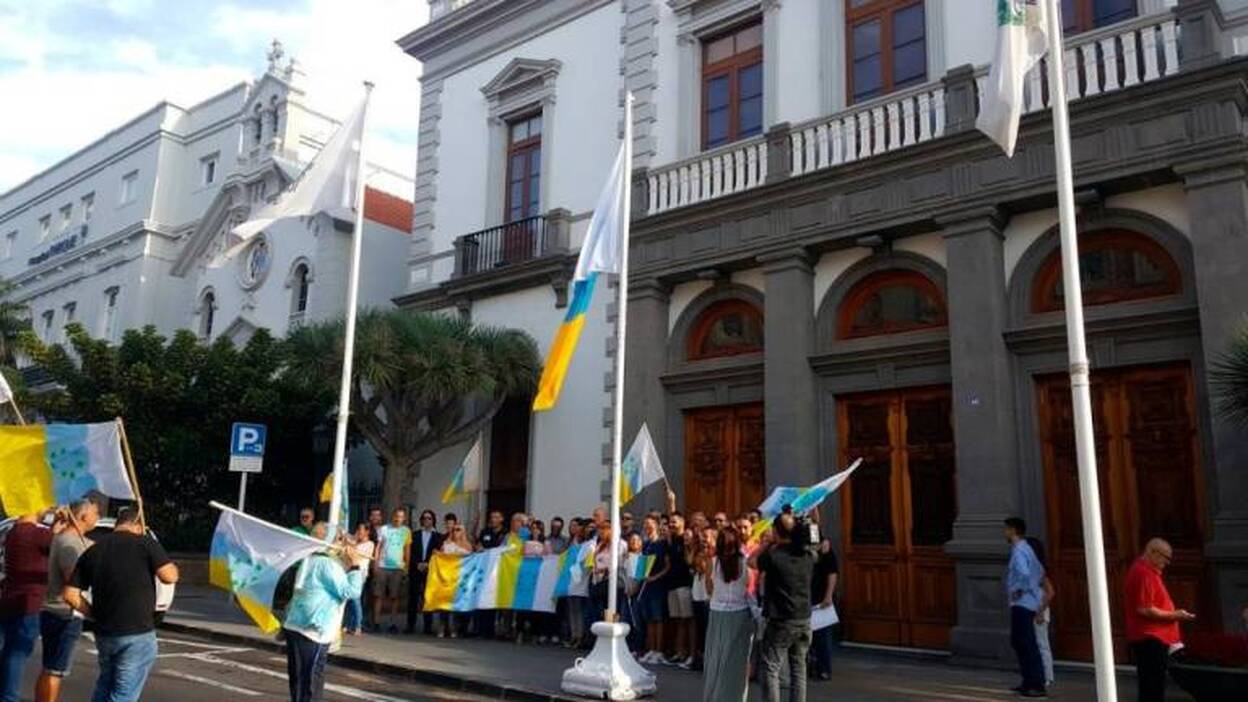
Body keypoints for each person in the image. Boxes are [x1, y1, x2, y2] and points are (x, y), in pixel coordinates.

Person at [64, 507, 179, 702]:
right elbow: (169, 577)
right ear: (138, 524)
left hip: (105, 632)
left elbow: (70, 594)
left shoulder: (93, 550)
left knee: (105, 684)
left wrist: (93, 614)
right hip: (137, 631)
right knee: (123, 694)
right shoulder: (146, 544)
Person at [282, 525, 367, 702]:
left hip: (300, 626)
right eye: (340, 539)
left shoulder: (310, 560)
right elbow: (350, 592)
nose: (344, 543)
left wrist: (347, 560)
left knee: (303, 681)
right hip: (311, 630)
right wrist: (356, 565)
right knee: (309, 684)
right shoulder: (326, 564)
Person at [749, 511, 817, 702]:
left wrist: (766, 543)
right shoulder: (807, 554)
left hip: (781, 619)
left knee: (771, 666)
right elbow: (815, 544)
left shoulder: (774, 555)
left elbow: (751, 561)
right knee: (799, 667)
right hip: (804, 618)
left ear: (776, 532)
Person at [38, 498, 100, 702]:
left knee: (50, 668)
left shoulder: (72, 539)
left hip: (57, 612)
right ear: (83, 516)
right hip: (64, 613)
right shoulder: (70, 543)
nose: (98, 517)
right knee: (55, 670)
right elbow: (72, 579)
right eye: (95, 513)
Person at [1, 509, 63, 702]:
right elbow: (58, 545)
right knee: (19, 652)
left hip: (10, 598)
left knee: (9, 651)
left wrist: (54, 529)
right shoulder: (37, 534)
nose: (47, 510)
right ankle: (9, 697)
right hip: (30, 601)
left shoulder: (13, 531)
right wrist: (59, 528)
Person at [1124, 538, 1194, 702]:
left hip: (1152, 636)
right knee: (1153, 685)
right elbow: (1145, 609)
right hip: (1150, 637)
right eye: (1165, 557)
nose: (1167, 562)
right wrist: (1176, 615)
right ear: (1152, 552)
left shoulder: (1146, 571)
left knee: (1152, 683)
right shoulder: (1143, 573)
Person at [703, 527, 753, 702]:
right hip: (740, 612)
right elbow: (748, 585)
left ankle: (714, 696)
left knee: (716, 658)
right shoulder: (744, 561)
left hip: (717, 612)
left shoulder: (713, 561)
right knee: (737, 660)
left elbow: (708, 589)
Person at [1004, 517, 1046, 698]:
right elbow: (1039, 571)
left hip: (1023, 603)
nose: (1004, 533)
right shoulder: (1027, 548)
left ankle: (1036, 683)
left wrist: (1020, 590)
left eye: (1006, 529)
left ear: (1013, 530)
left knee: (1025, 643)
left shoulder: (1020, 550)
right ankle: (1029, 681)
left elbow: (1025, 573)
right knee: (1022, 642)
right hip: (1029, 602)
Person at [637, 515, 670, 664]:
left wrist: (655, 578)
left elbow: (667, 566)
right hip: (646, 586)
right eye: (645, 525)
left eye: (650, 524)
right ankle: (651, 649)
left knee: (658, 619)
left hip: (657, 585)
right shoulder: (645, 544)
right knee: (649, 619)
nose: (647, 527)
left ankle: (659, 651)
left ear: (656, 526)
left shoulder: (662, 544)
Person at [664, 511, 696, 666]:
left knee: (688, 620)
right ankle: (679, 652)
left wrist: (672, 501)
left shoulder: (686, 538)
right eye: (670, 522)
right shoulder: (673, 539)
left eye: (675, 522)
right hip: (672, 586)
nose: (671, 524)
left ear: (683, 522)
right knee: (678, 621)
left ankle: (691, 654)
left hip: (684, 586)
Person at [372, 508, 411, 633]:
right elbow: (378, 547)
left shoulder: (406, 531)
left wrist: (406, 566)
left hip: (397, 567)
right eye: (396, 515)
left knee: (395, 597)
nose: (397, 518)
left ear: (404, 518)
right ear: (392, 516)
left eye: (400, 516)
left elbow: (407, 550)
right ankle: (376, 622)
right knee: (379, 596)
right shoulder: (384, 529)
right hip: (383, 566)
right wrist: (376, 564)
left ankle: (392, 623)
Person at [1026, 536, 1056, 689]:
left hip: (1038, 611)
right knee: (1034, 644)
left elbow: (1050, 592)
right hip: (1029, 610)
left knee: (1042, 644)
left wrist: (1040, 611)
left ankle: (1047, 677)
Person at [406, 510, 442, 635]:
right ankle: (410, 626)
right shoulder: (414, 534)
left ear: (433, 520)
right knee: (413, 598)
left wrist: (427, 563)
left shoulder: (438, 536)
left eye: (430, 518)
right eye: (425, 518)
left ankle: (428, 627)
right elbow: (411, 552)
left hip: (430, 570)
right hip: (415, 569)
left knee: (428, 598)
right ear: (421, 520)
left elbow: (438, 553)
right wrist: (417, 564)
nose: (427, 520)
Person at [809, 536, 839, 681]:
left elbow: (832, 573)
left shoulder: (825, 551)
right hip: (805, 599)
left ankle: (824, 669)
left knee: (823, 636)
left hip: (820, 600)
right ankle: (811, 666)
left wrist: (828, 595)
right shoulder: (801, 550)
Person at [435, 524, 472, 638]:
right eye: (454, 530)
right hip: (446, 577)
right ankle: (442, 626)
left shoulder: (468, 546)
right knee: (444, 602)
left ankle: (454, 627)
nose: (456, 532)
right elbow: (440, 556)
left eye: (459, 530)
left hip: (460, 577)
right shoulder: (447, 544)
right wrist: (437, 554)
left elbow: (471, 560)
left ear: (463, 532)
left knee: (456, 603)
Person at [689, 526, 716, 671]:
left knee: (707, 628)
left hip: (708, 595)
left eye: (706, 536)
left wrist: (705, 556)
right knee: (699, 627)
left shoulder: (714, 554)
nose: (703, 539)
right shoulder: (698, 551)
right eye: (702, 536)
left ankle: (708, 659)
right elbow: (691, 562)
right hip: (697, 593)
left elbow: (706, 570)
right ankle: (699, 658)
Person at [343, 523, 374, 636]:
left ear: (367, 532)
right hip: (349, 571)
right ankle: (348, 624)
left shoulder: (370, 544)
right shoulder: (354, 542)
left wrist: (353, 542)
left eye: (361, 531)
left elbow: (357, 554)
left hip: (360, 573)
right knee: (349, 600)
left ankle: (357, 626)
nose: (359, 533)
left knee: (356, 599)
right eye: (358, 530)